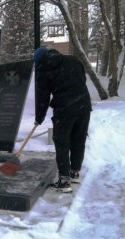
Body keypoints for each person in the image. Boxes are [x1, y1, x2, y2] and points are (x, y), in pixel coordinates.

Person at [34, 47, 92, 193]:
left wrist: (39, 117)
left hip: (64, 109)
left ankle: (64, 181)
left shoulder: (43, 70)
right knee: (79, 139)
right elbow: (82, 80)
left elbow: (43, 96)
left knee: (62, 142)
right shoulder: (73, 60)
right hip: (83, 105)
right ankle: (75, 172)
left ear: (39, 60)